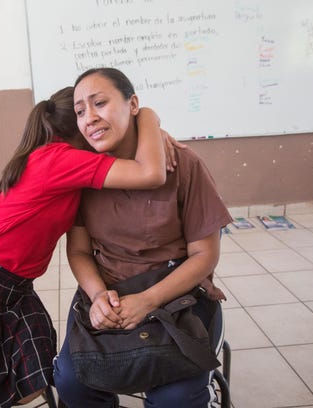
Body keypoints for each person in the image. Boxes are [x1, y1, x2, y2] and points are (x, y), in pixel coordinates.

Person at [0, 84, 170, 408]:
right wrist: (147, 115)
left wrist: (160, 140)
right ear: (75, 127)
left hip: (13, 287)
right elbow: (150, 172)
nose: (96, 125)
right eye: (86, 117)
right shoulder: (59, 160)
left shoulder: (57, 158)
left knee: (38, 365)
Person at [53, 67, 233, 408]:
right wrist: (97, 296)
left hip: (175, 295)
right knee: (72, 381)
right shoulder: (83, 172)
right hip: (110, 297)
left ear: (133, 104)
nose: (89, 118)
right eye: (80, 111)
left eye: (100, 103)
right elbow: (78, 252)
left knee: (176, 397)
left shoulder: (182, 164)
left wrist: (149, 300)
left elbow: (204, 255)